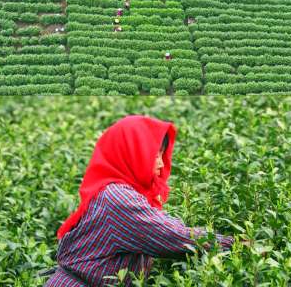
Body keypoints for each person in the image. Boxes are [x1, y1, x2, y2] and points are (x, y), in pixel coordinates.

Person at [44, 116, 235, 286]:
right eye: (154, 154)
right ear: (132, 153)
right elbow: (175, 237)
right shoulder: (117, 199)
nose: (161, 163)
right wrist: (237, 245)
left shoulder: (119, 193)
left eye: (162, 154)